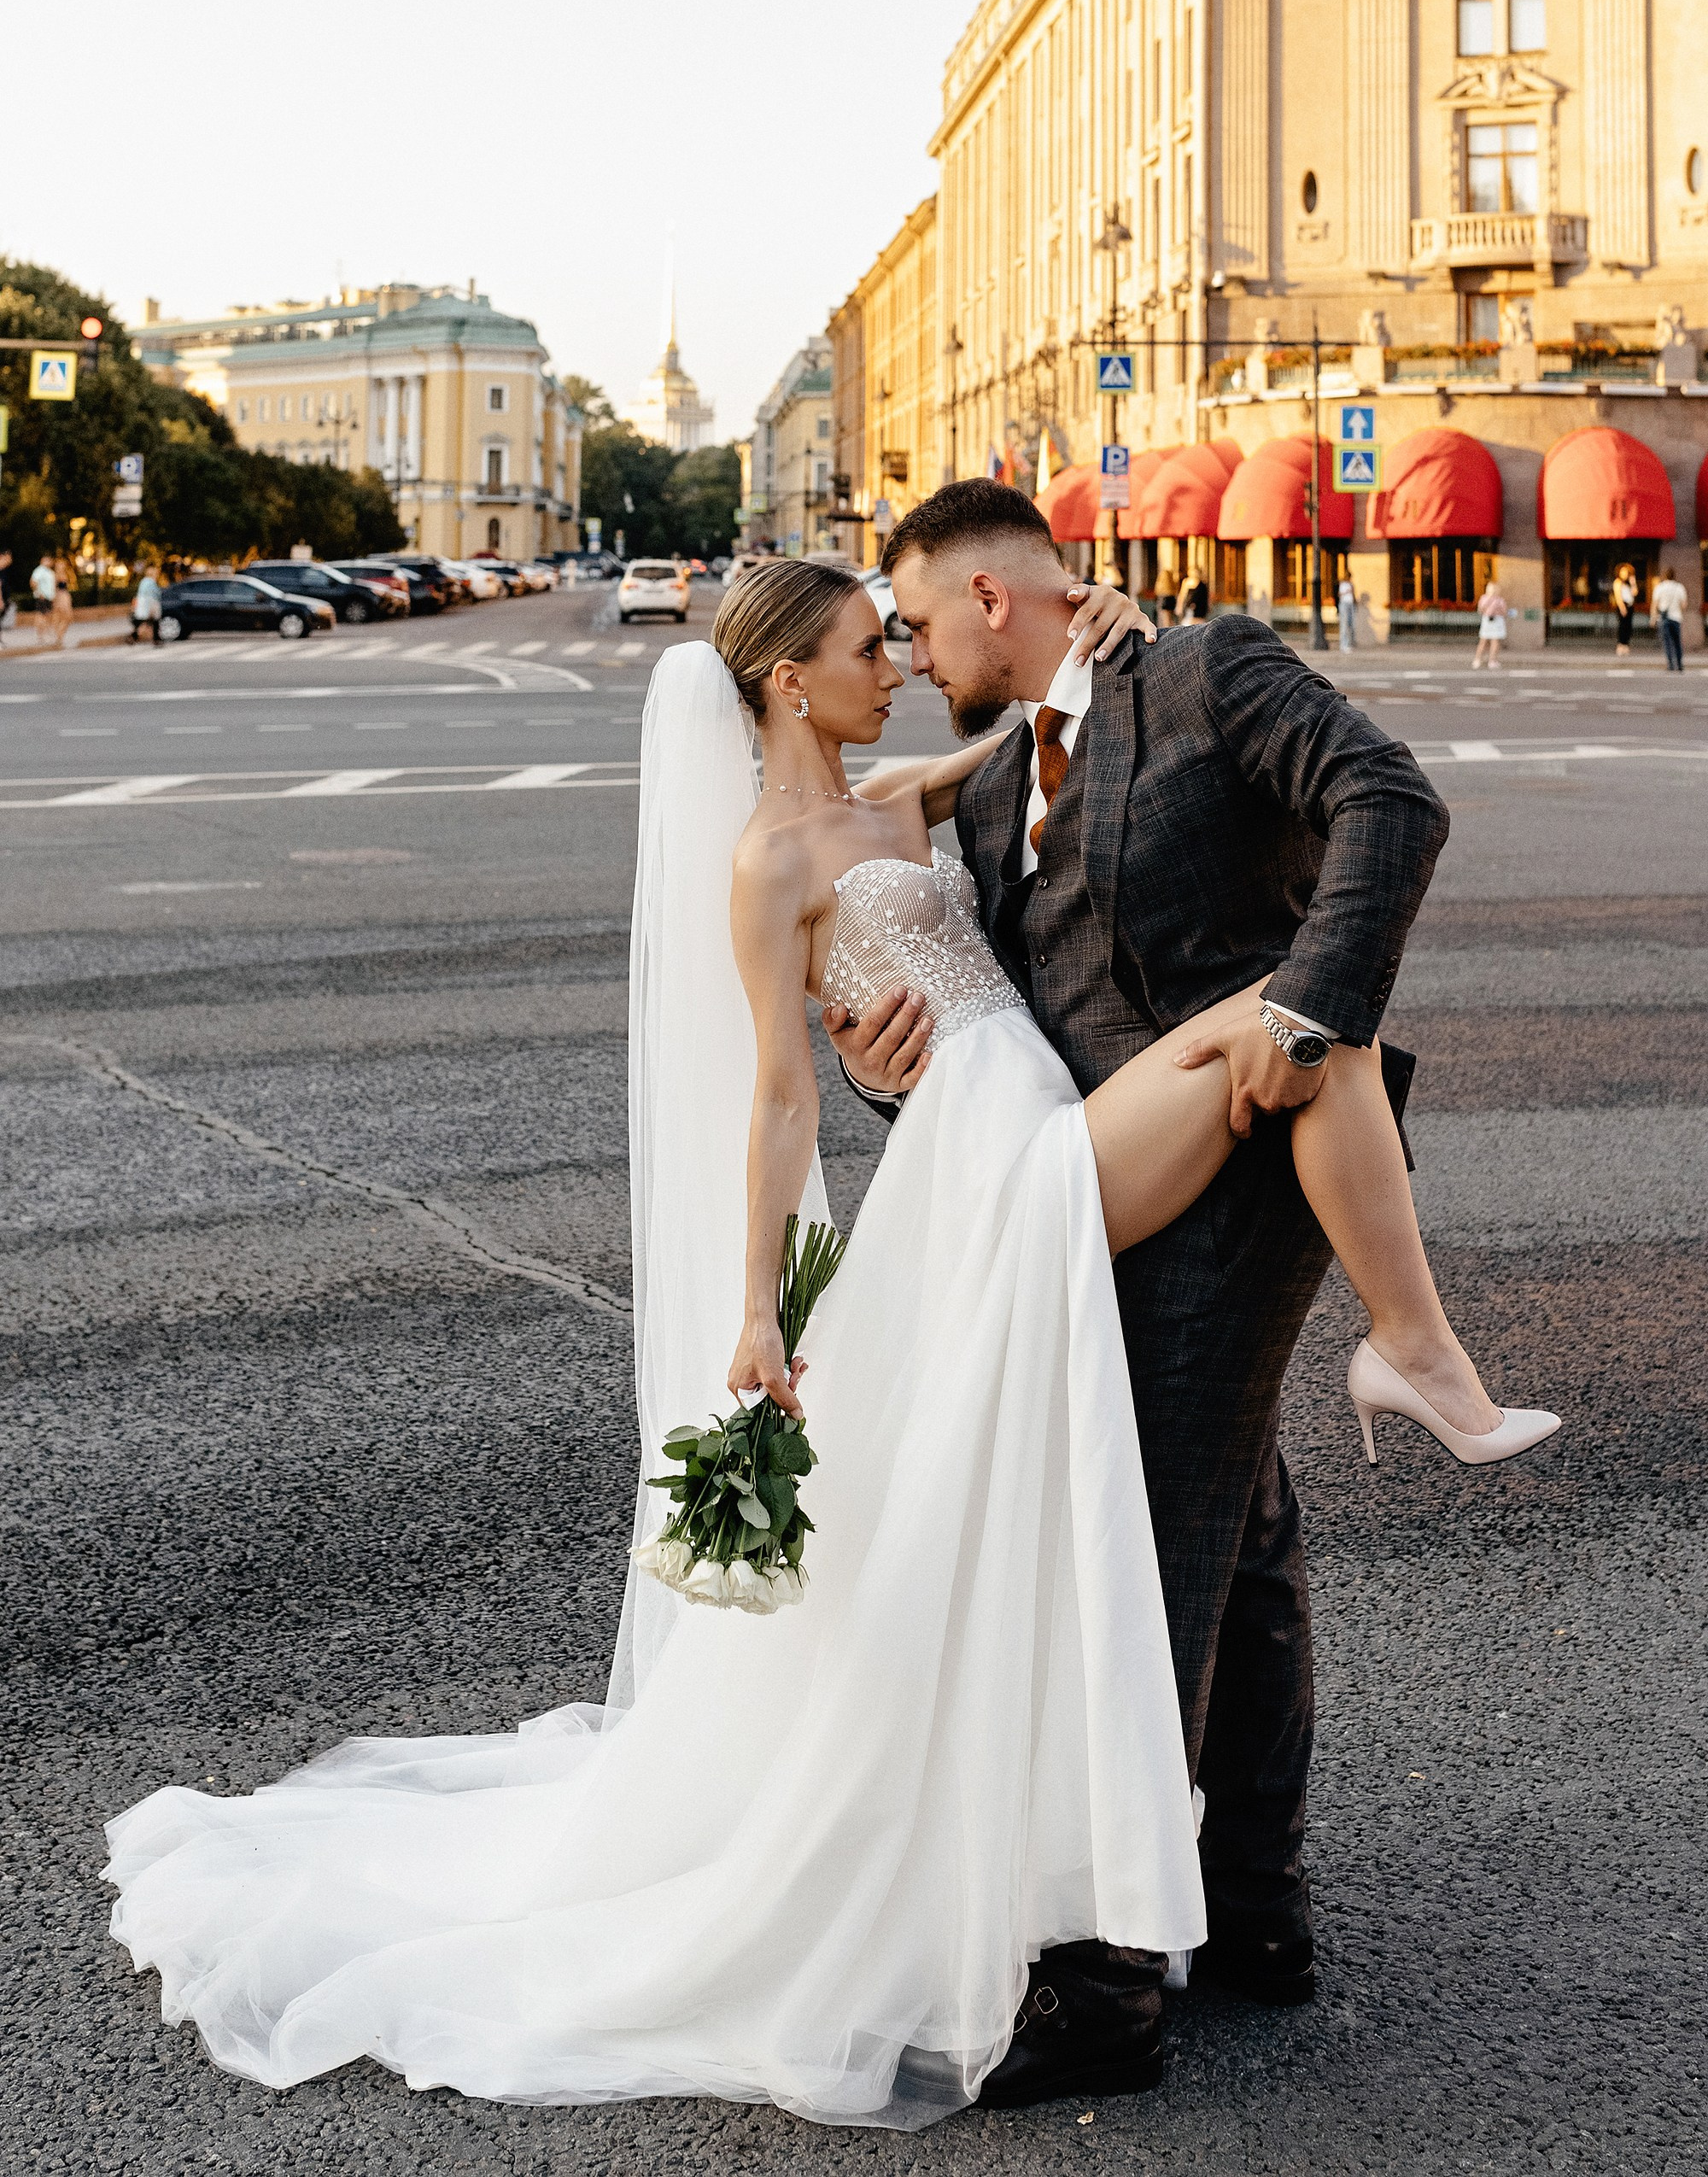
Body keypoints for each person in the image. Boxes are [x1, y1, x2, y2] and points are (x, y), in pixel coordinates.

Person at [104, 536, 1556, 2126]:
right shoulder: (765, 865)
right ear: (789, 681)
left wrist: (1108, 616)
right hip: (988, 1161)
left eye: (905, 629)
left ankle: (1388, 1407)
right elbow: (781, 1095)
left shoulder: (910, 796)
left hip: (1037, 1120)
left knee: (1285, 1085)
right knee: (1295, 1031)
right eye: (873, 646)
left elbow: (1048, 718)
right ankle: (1408, 1361)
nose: (900, 664)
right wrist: (757, 1299)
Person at [824, 483, 1557, 2060]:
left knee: (1149, 1533)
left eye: (919, 621)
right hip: (1092, 1186)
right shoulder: (987, 790)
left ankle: (1106, 1986)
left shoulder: (1203, 671)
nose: (913, 652)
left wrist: (1312, 1007)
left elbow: (1390, 800)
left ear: (991, 597)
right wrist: (887, 1079)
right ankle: (1252, 1905)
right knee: (1239, 1520)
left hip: (1250, 1156)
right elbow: (1007, 1035)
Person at [1653, 567, 1688, 672]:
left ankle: (1671, 665)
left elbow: (1655, 604)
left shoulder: (1660, 587)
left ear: (1664, 576)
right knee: (1677, 642)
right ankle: (1680, 664)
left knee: (1667, 643)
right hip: (1676, 618)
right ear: (1674, 576)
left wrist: (1653, 618)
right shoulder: (1679, 587)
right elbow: (1684, 605)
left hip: (1664, 618)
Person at [1472, 576, 1508, 670]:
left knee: (1491, 642)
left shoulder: (1496, 600)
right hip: (1491, 621)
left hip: (1493, 620)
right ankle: (1483, 660)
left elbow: (1504, 612)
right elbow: (1481, 609)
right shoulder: (1489, 599)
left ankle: (1486, 660)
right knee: (1487, 641)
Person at [131, 567, 163, 647]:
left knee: (142, 621)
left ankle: (133, 637)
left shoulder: (143, 581)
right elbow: (155, 593)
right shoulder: (151, 582)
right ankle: (156, 640)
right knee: (155, 622)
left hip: (143, 604)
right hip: (150, 603)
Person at [1611, 562, 1638, 658]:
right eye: (1622, 572)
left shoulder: (1629, 583)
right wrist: (1622, 608)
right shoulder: (1618, 582)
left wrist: (1633, 583)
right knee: (1622, 626)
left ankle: (1626, 644)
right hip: (1622, 605)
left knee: (1628, 626)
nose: (1624, 574)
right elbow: (1618, 596)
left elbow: (1635, 593)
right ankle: (1620, 644)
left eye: (1626, 572)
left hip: (1630, 605)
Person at [29, 553, 56, 641]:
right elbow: (33, 582)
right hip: (42, 597)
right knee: (41, 615)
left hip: (49, 597)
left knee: (47, 615)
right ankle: (40, 635)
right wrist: (38, 593)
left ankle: (46, 633)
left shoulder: (49, 571)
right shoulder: (39, 570)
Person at [1336, 571, 1356, 652]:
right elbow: (1339, 594)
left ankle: (1350, 643)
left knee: (1351, 625)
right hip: (1344, 604)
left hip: (1350, 605)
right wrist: (1347, 591)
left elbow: (1353, 595)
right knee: (1344, 625)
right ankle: (1343, 645)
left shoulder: (1351, 584)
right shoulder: (1343, 584)